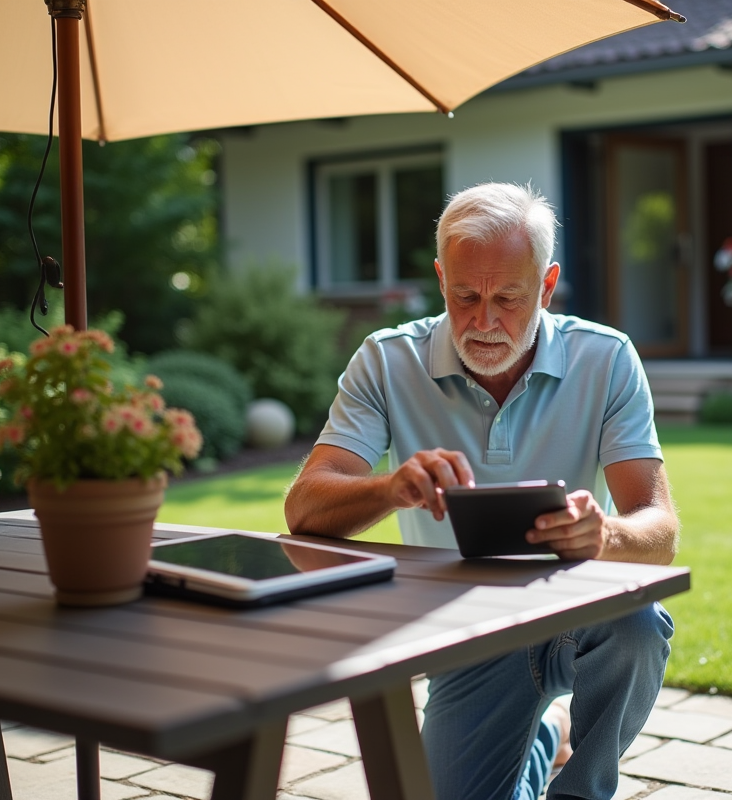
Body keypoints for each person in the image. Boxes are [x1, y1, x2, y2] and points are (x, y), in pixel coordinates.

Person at [285, 182, 679, 800]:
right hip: (462, 634)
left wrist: (604, 534)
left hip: (577, 613)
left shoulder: (606, 358)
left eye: (509, 299)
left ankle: (581, 789)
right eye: (465, 295)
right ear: (441, 277)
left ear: (547, 287)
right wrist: (391, 486)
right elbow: (304, 509)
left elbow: (659, 531)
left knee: (638, 624)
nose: (484, 321)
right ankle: (545, 732)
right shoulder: (386, 361)